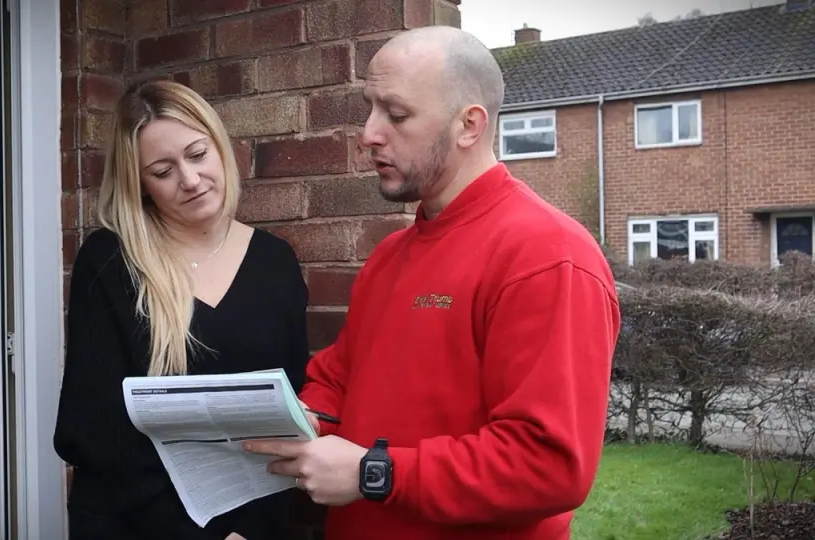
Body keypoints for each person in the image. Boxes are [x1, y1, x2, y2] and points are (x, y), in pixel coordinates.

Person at [244, 25, 621, 540]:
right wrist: (304, 421)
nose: (369, 133)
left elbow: (548, 464)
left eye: (396, 115)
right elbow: (337, 381)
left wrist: (371, 474)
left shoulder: (548, 255)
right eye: (370, 108)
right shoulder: (390, 256)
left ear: (468, 125)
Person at [53, 79, 310, 540]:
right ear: (142, 185)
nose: (190, 180)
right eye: (163, 170)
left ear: (219, 147)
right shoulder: (112, 259)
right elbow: (91, 428)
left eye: (197, 155)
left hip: (254, 522)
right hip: (135, 524)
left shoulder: (276, 261)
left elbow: (285, 409)